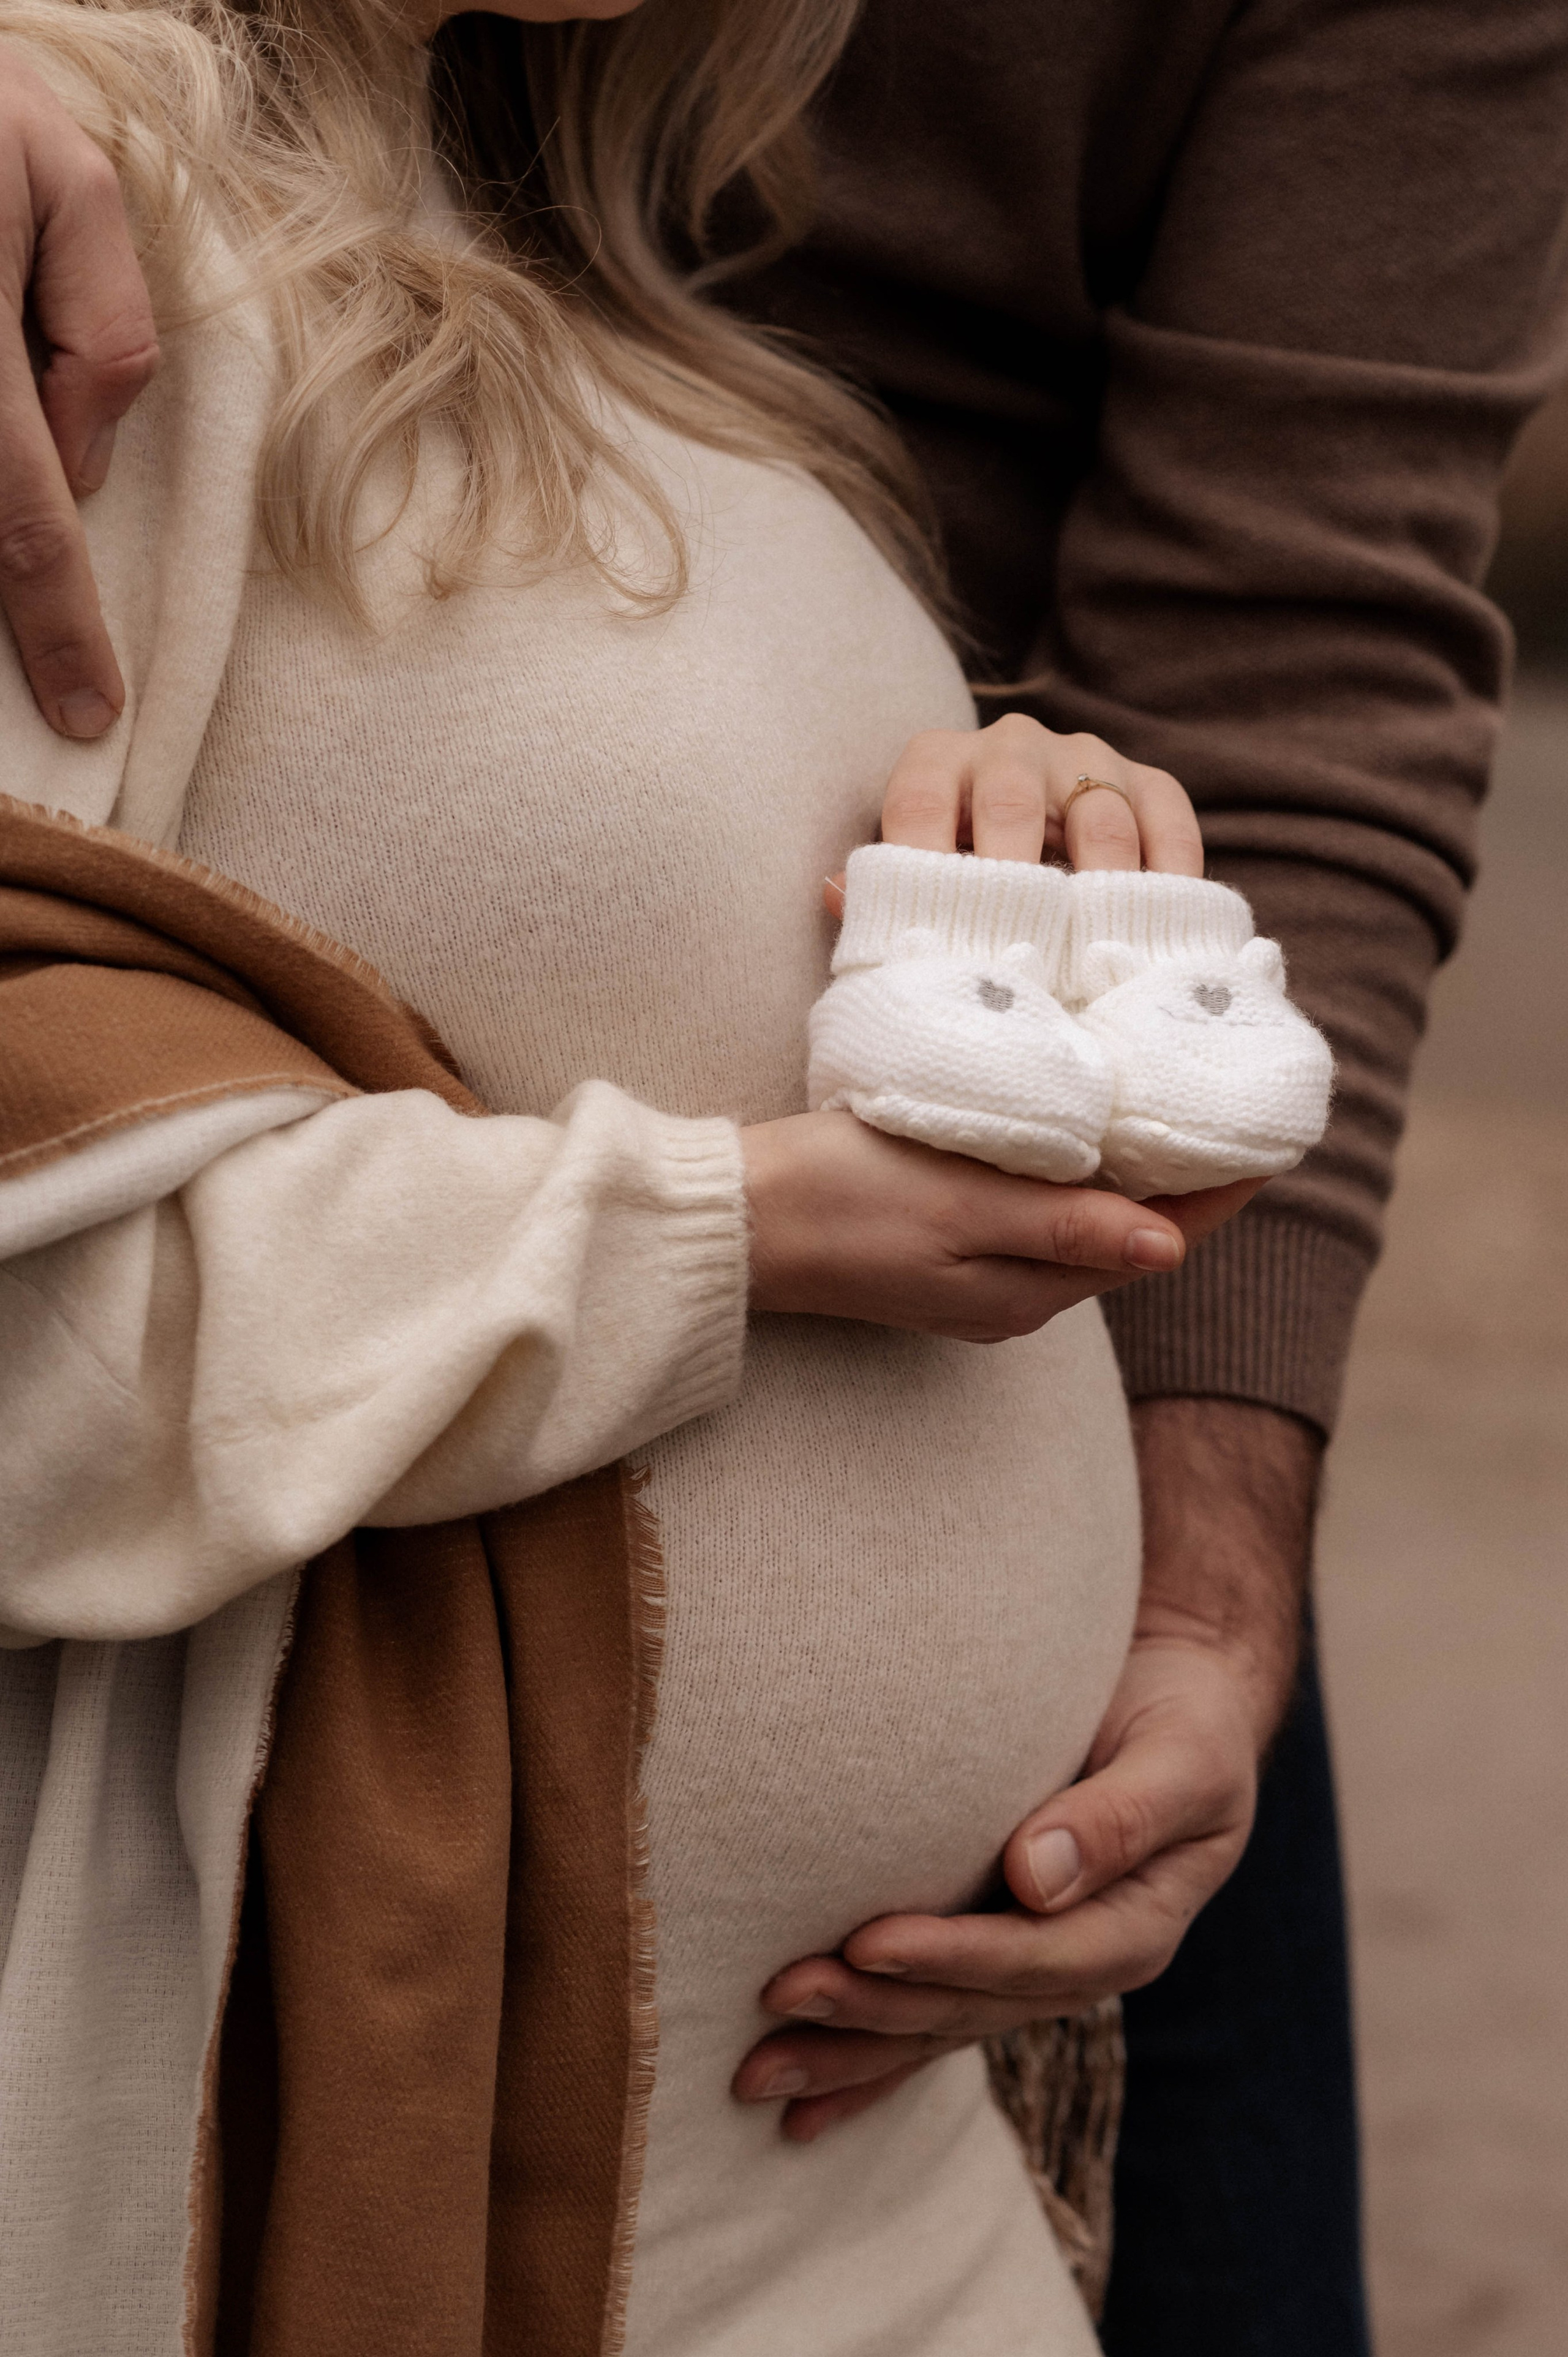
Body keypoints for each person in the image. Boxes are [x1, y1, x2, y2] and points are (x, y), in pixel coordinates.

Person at [6, 4, 1568, 2350]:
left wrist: (1060, 893)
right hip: (422, 2125)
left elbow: (1297, 633)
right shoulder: (93, 270)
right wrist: (724, 1232)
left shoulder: (695, 389)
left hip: (875, 2166)